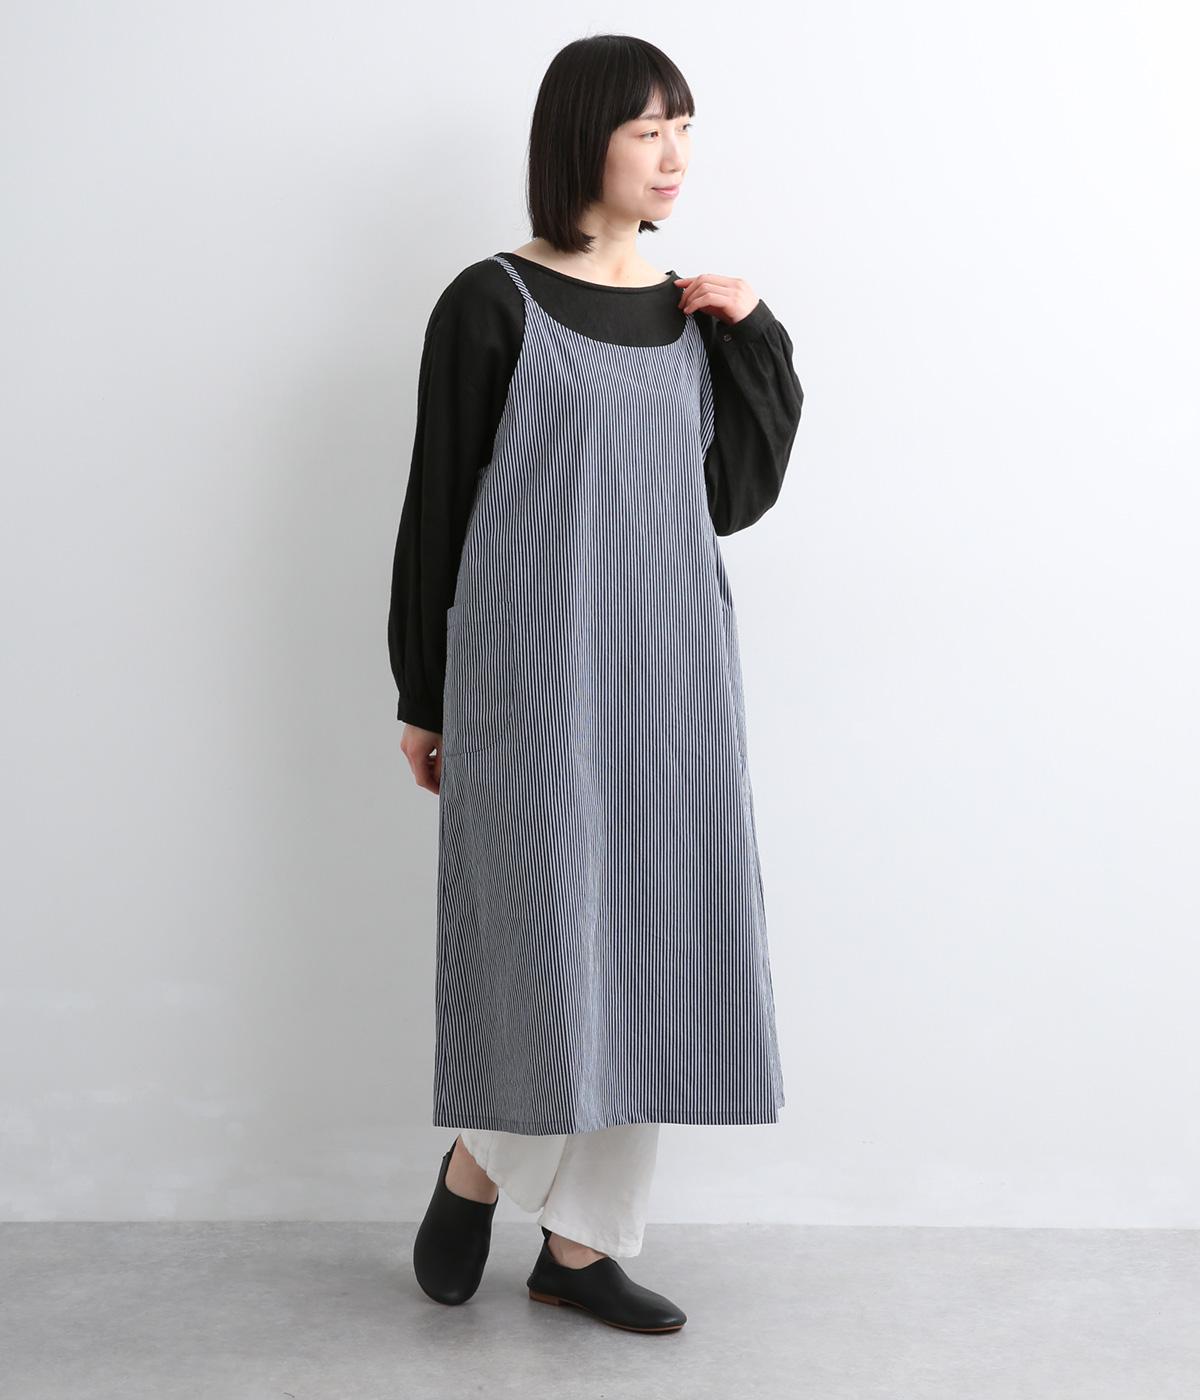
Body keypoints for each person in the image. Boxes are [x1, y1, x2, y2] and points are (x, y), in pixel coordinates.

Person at [388, 34, 804, 1334]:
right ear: (584, 139)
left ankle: (578, 1248)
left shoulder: (690, 312)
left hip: (670, 672)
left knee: (657, 947)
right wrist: (422, 693)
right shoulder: (489, 301)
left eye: (685, 126)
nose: (675, 156)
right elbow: (437, 506)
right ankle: (480, 1164)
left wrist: (757, 339)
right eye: (646, 130)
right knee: (550, 942)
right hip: (530, 675)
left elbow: (726, 497)